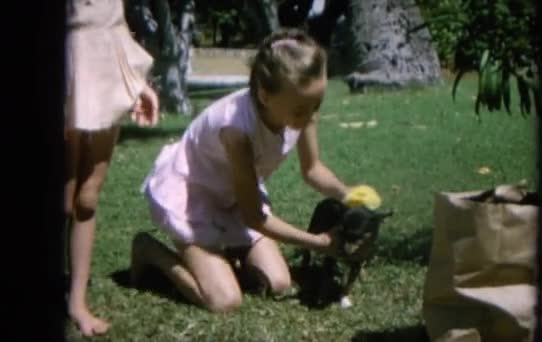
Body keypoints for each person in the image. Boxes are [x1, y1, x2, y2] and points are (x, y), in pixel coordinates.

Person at [131, 27, 358, 312]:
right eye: (301, 109)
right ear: (264, 95)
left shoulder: (300, 107)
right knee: (224, 301)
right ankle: (149, 250)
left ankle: (223, 253)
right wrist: (316, 242)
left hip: (235, 193)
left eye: (316, 105)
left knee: (278, 283)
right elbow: (254, 218)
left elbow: (312, 170)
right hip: (194, 195)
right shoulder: (237, 131)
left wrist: (348, 194)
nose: (311, 115)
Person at [64, 0, 159, 336]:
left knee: (87, 198)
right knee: (64, 196)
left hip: (106, 58)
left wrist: (137, 84)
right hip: (67, 55)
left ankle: (77, 301)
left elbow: (113, 19)